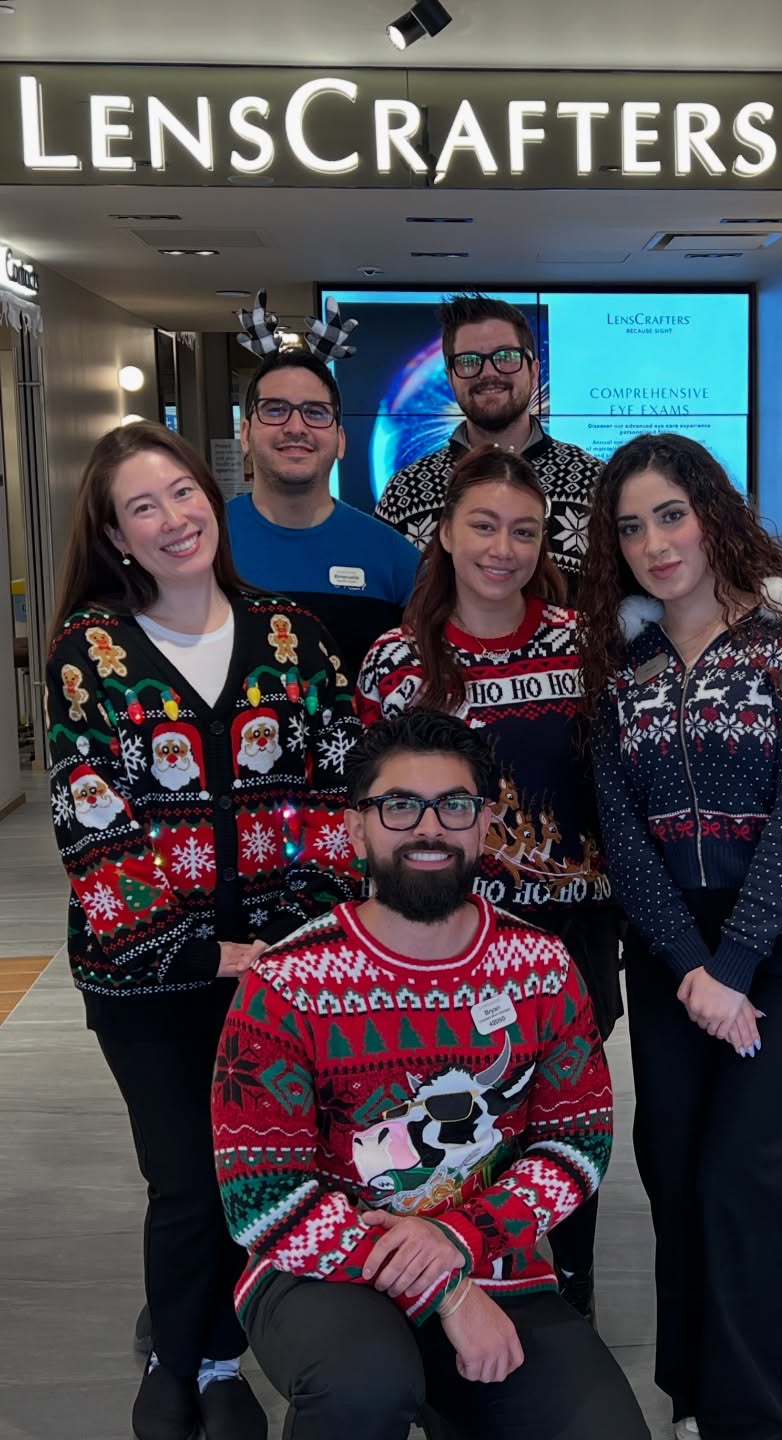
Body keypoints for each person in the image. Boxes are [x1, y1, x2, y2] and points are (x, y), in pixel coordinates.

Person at [44, 422, 362, 1440]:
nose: (173, 520)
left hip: (285, 965)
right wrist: (198, 950)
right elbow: (91, 815)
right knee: (183, 1176)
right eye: (144, 507)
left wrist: (304, 929)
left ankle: (230, 1354)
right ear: (114, 534)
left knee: (260, 1168)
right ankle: (179, 1357)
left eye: (183, 494)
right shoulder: (86, 654)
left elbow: (337, 787)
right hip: (147, 975)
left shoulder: (292, 634)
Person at [212, 711, 649, 1440]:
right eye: (398, 805)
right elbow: (263, 1198)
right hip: (318, 1270)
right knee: (365, 1385)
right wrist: (446, 1287)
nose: (428, 827)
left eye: (454, 805)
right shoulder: (285, 983)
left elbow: (576, 1145)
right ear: (357, 830)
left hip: (491, 1258)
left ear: (483, 826)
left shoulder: (541, 967)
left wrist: (460, 1239)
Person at [581, 432, 782, 1440]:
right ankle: (697, 1391)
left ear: (711, 513)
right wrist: (693, 967)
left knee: (744, 1174)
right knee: (676, 1161)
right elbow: (619, 828)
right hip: (673, 951)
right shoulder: (621, 655)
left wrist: (736, 964)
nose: (655, 542)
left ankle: (760, 1416)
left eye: (671, 514)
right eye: (630, 526)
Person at [357, 446, 622, 1324]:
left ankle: (563, 1295)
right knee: (461, 1120)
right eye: (483, 525)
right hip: (442, 938)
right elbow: (369, 810)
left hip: (565, 941)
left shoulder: (581, 643)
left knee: (557, 1120)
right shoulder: (397, 659)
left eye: (523, 530)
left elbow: (614, 786)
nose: (502, 547)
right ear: (444, 532)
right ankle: (449, 1290)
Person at [374, 294, 601, 591]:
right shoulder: (406, 491)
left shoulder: (593, 481)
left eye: (505, 357)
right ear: (451, 377)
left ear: (533, 372)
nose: (489, 372)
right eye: (469, 362)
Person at [228, 348, 420, 675]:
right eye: (275, 410)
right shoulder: (204, 543)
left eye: (315, 413)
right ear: (246, 434)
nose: (295, 427)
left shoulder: (395, 560)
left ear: (340, 440)